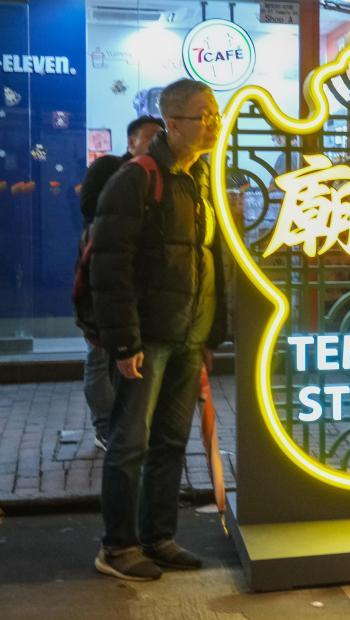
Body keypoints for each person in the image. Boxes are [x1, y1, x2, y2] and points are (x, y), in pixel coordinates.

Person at [90, 79, 226, 581]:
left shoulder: (202, 178)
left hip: (190, 337)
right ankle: (118, 547)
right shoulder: (137, 178)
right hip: (146, 339)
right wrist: (124, 342)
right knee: (130, 444)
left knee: (172, 441)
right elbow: (110, 266)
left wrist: (213, 332)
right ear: (172, 122)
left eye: (214, 114)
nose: (212, 124)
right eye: (202, 116)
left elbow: (214, 259)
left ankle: (158, 537)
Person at [78, 115, 165, 451]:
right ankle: (105, 426)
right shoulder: (111, 169)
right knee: (99, 354)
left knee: (127, 360)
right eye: (150, 137)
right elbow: (89, 209)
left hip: (139, 286)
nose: (157, 143)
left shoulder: (161, 177)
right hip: (101, 275)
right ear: (131, 142)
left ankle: (125, 426)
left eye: (162, 137)